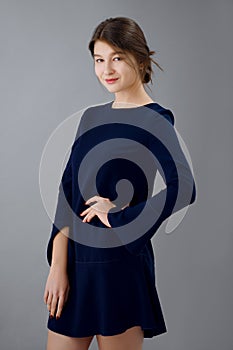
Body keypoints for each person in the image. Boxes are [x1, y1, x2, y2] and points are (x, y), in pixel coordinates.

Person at [43, 16, 196, 350]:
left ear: (139, 60)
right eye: (99, 59)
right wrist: (58, 265)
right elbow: (68, 188)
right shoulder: (92, 118)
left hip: (118, 268)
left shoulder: (155, 119)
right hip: (74, 266)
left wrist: (118, 216)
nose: (106, 69)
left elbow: (184, 186)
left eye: (117, 58)